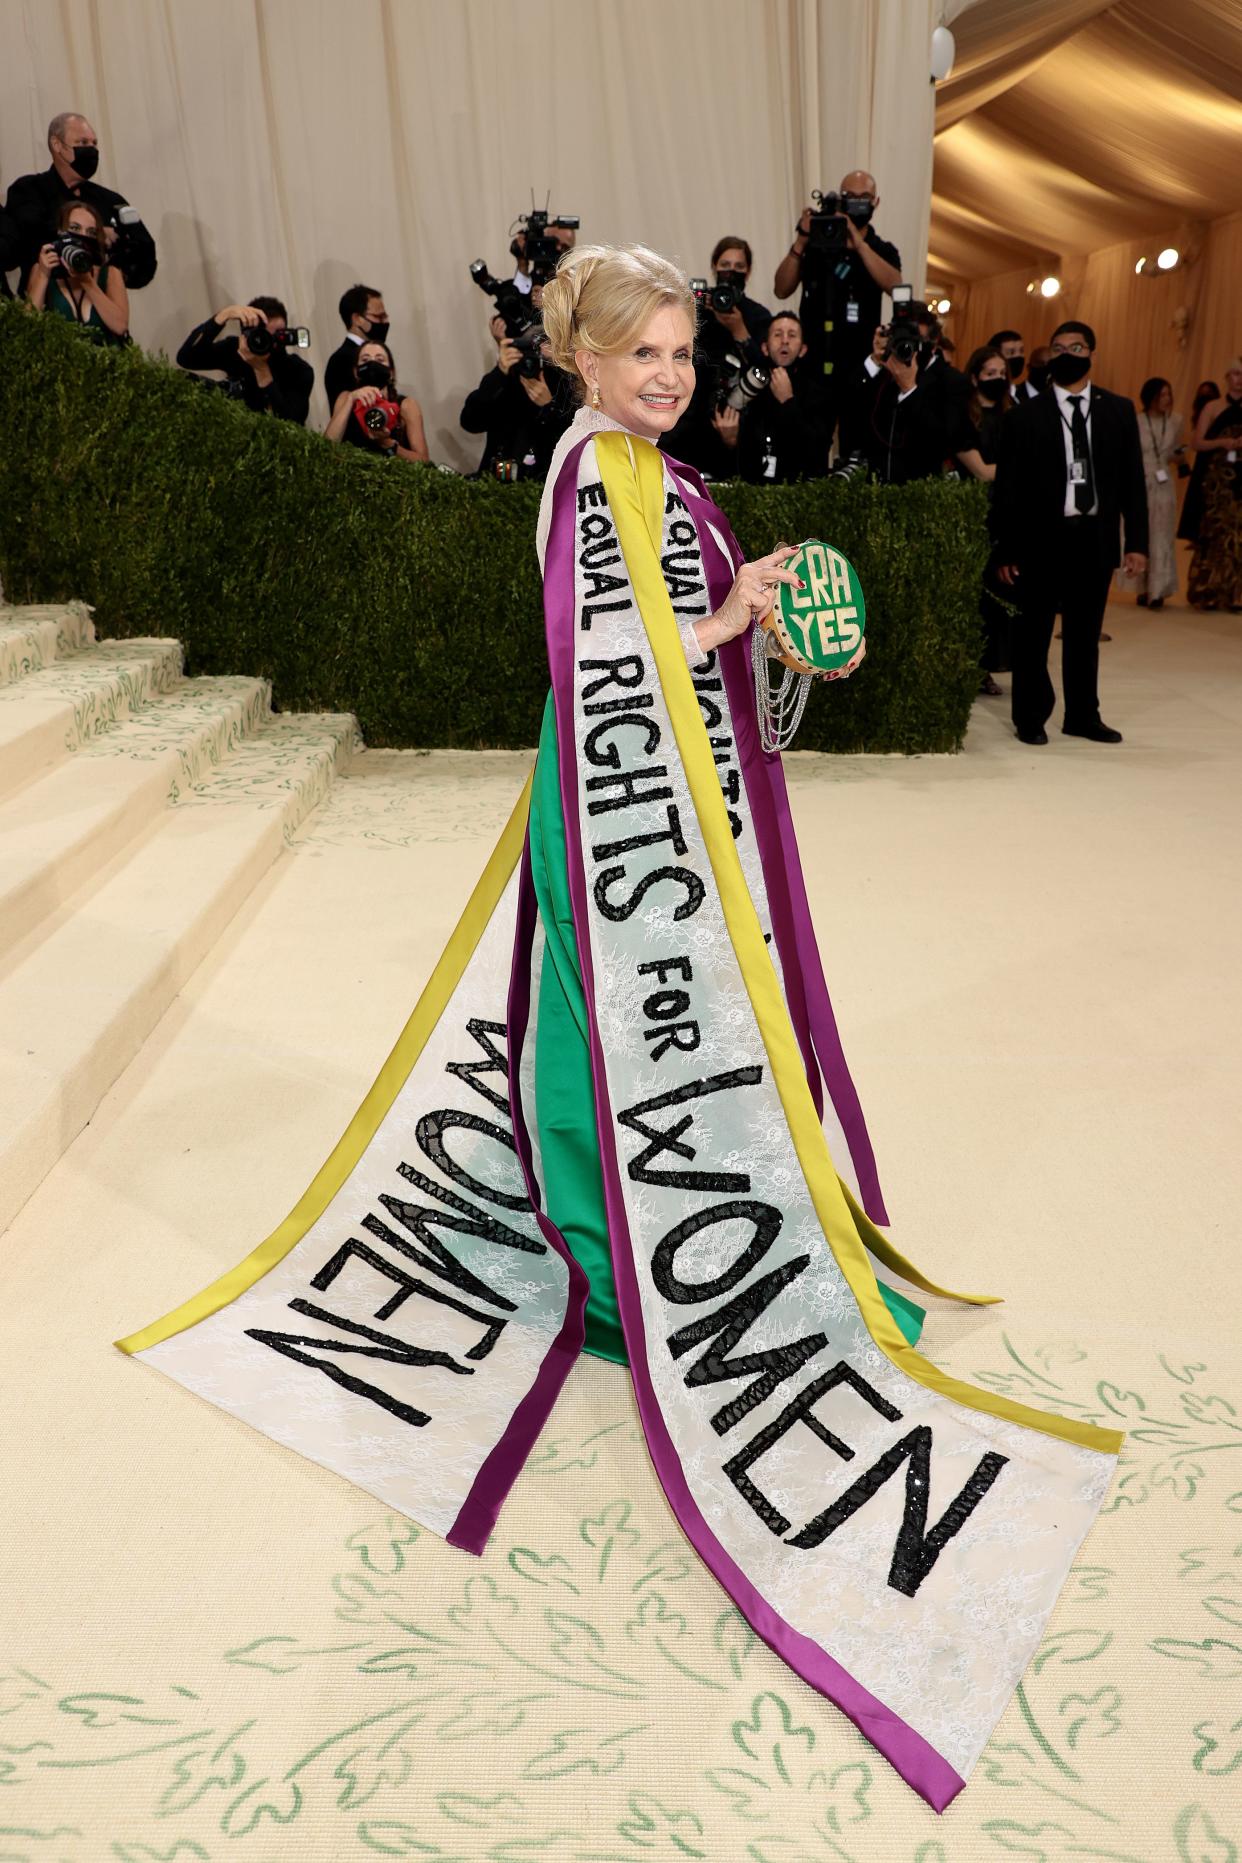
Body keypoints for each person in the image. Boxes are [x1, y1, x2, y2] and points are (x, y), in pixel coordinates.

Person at [118, 239, 1124, 1815]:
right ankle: (609, 1261)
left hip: (614, 793)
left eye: (679, 354)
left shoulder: (638, 467)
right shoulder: (608, 478)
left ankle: (607, 1233)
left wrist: (737, 604)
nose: (665, 375)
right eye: (637, 353)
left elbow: (664, 632)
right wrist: (728, 619)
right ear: (579, 358)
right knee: (612, 1036)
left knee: (612, 1034)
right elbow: (616, 655)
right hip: (611, 810)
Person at [993, 319, 1148, 744]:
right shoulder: (1024, 417)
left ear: (1090, 353)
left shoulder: (1118, 410)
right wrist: (1006, 550)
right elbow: (1007, 489)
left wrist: (1136, 544)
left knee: (1084, 636)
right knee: (1033, 635)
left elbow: (1133, 482)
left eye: (1075, 347)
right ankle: (1029, 717)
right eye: (1058, 347)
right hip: (1040, 541)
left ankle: (1083, 715)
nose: (1065, 355)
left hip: (1094, 540)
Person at [773, 171, 902, 426]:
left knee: (856, 444)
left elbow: (895, 286)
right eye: (850, 197)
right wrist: (801, 240)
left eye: (863, 197)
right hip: (813, 366)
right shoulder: (817, 243)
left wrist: (859, 245)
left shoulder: (882, 249)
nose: (856, 203)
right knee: (810, 444)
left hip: (860, 365)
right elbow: (781, 289)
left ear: (876, 202)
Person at [4, 112, 156, 293]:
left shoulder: (111, 200)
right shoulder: (28, 190)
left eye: (95, 143)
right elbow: (28, 240)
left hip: (100, 311)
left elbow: (144, 262)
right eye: (83, 143)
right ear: (57, 145)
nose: (92, 150)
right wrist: (96, 236)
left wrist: (118, 259)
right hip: (45, 309)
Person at [659, 235, 772, 477]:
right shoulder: (696, 307)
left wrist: (739, 329)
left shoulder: (757, 315)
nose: (731, 273)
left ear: (749, 271)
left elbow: (765, 371)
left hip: (736, 414)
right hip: (689, 414)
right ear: (714, 267)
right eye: (725, 266)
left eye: (739, 267)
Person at [848, 305, 972, 483]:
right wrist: (875, 360)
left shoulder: (952, 381)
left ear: (934, 341)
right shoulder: (887, 374)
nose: (910, 348)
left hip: (921, 494)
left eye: (916, 340)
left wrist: (909, 388)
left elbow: (943, 440)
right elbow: (853, 415)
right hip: (876, 491)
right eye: (902, 340)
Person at [460, 313, 573, 479]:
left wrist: (549, 407)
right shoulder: (506, 377)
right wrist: (499, 373)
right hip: (498, 480)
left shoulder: (568, 383)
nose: (538, 353)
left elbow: (573, 443)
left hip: (541, 484)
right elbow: (470, 422)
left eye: (547, 343)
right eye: (532, 347)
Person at [175, 297, 314, 424]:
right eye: (263, 336)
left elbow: (291, 424)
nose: (272, 343)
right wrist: (224, 315)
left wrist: (262, 370)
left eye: (278, 336)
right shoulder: (235, 350)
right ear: (246, 335)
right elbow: (186, 358)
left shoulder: (299, 370)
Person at [963, 345, 1013, 694]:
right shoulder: (967, 417)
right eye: (989, 373)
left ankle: (995, 662)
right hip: (974, 512)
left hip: (1007, 511)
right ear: (975, 376)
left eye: (1001, 374)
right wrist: (1016, 469)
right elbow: (980, 471)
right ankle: (974, 669)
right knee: (974, 595)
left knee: (1000, 593)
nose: (996, 379)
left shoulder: (1015, 414)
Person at [734, 311, 829, 483]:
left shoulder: (817, 393)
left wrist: (788, 402)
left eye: (792, 335)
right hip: (753, 490)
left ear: (802, 350)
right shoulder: (751, 386)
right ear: (765, 348)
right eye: (778, 335)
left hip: (798, 492)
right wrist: (730, 439)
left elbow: (818, 450)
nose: (785, 340)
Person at [23, 198, 128, 345]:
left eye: (90, 232)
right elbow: (27, 328)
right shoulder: (42, 269)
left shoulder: (110, 272)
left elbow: (120, 326)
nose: (83, 237)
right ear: (61, 232)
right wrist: (43, 275)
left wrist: (87, 281)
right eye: (75, 229)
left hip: (108, 364)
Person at [1181, 358, 1242, 613]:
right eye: (1236, 374)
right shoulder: (1213, 407)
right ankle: (1209, 591)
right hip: (1216, 484)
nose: (1239, 379)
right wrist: (1223, 443)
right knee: (1215, 535)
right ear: (1227, 377)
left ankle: (1235, 595)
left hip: (1240, 480)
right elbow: (1197, 443)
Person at [1118, 378, 1183, 610]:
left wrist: (1179, 457)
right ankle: (1142, 587)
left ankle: (1158, 589)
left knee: (1162, 536)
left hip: (1164, 485)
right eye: (1162, 394)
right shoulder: (1136, 421)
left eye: (1169, 394)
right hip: (1141, 481)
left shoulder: (1176, 421)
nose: (1166, 399)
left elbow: (1175, 451)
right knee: (1139, 534)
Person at [324, 339, 428, 462]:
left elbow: (423, 461)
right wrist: (350, 400)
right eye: (365, 360)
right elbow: (327, 447)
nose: (372, 364)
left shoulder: (407, 405)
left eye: (380, 360)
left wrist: (386, 443)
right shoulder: (345, 398)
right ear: (356, 372)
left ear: (391, 372)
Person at [325, 283, 390, 412]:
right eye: (378, 317)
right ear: (357, 319)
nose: (385, 322)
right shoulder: (341, 360)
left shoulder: (378, 351)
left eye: (385, 316)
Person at [987, 328, 1040, 404]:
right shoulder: (991, 396)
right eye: (1011, 352)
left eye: (1021, 351)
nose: (1018, 356)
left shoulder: (1026, 394)